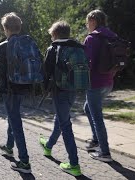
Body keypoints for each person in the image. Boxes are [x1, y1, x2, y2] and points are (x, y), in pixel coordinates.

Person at [39, 20, 82, 176]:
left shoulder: (54, 48)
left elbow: (46, 72)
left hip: (60, 90)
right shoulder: (77, 47)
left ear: (55, 34)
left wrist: (44, 89)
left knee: (65, 125)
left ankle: (74, 165)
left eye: (51, 35)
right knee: (61, 118)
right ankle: (49, 146)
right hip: (74, 89)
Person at [0, 12, 32, 174]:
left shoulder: (3, 46)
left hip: (9, 89)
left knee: (15, 121)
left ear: (5, 29)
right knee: (13, 115)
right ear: (19, 27)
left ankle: (24, 161)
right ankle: (9, 146)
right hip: (23, 86)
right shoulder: (27, 43)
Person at [83, 9, 116, 162]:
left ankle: (105, 152)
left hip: (95, 83)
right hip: (108, 82)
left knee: (97, 117)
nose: (87, 24)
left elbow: (86, 64)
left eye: (87, 21)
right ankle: (96, 140)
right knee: (87, 108)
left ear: (93, 20)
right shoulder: (113, 36)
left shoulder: (91, 38)